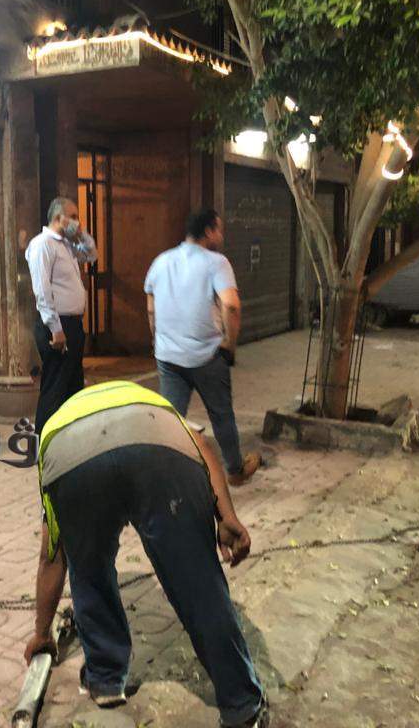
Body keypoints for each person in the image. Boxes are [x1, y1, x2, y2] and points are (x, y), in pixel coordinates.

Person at [23, 380, 269, 728]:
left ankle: (105, 679)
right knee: (198, 582)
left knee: (87, 567)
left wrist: (42, 633)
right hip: (156, 451)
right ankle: (243, 706)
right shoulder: (154, 404)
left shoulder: (53, 434)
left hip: (75, 465)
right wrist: (226, 516)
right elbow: (202, 445)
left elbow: (52, 557)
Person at [144, 207, 261, 486]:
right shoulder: (216, 263)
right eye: (219, 230)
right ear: (208, 231)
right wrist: (229, 344)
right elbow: (231, 306)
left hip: (168, 356)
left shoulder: (161, 261)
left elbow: (151, 308)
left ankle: (162, 474)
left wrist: (157, 340)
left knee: (171, 419)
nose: (221, 235)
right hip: (207, 355)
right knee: (221, 415)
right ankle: (235, 471)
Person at [25, 196, 97, 434]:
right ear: (59, 218)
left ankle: (69, 440)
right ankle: (43, 442)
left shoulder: (66, 244)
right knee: (55, 388)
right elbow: (42, 290)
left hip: (73, 325)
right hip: (57, 326)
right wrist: (55, 329)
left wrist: (81, 234)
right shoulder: (42, 244)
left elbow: (91, 255)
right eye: (73, 217)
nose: (77, 221)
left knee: (73, 387)